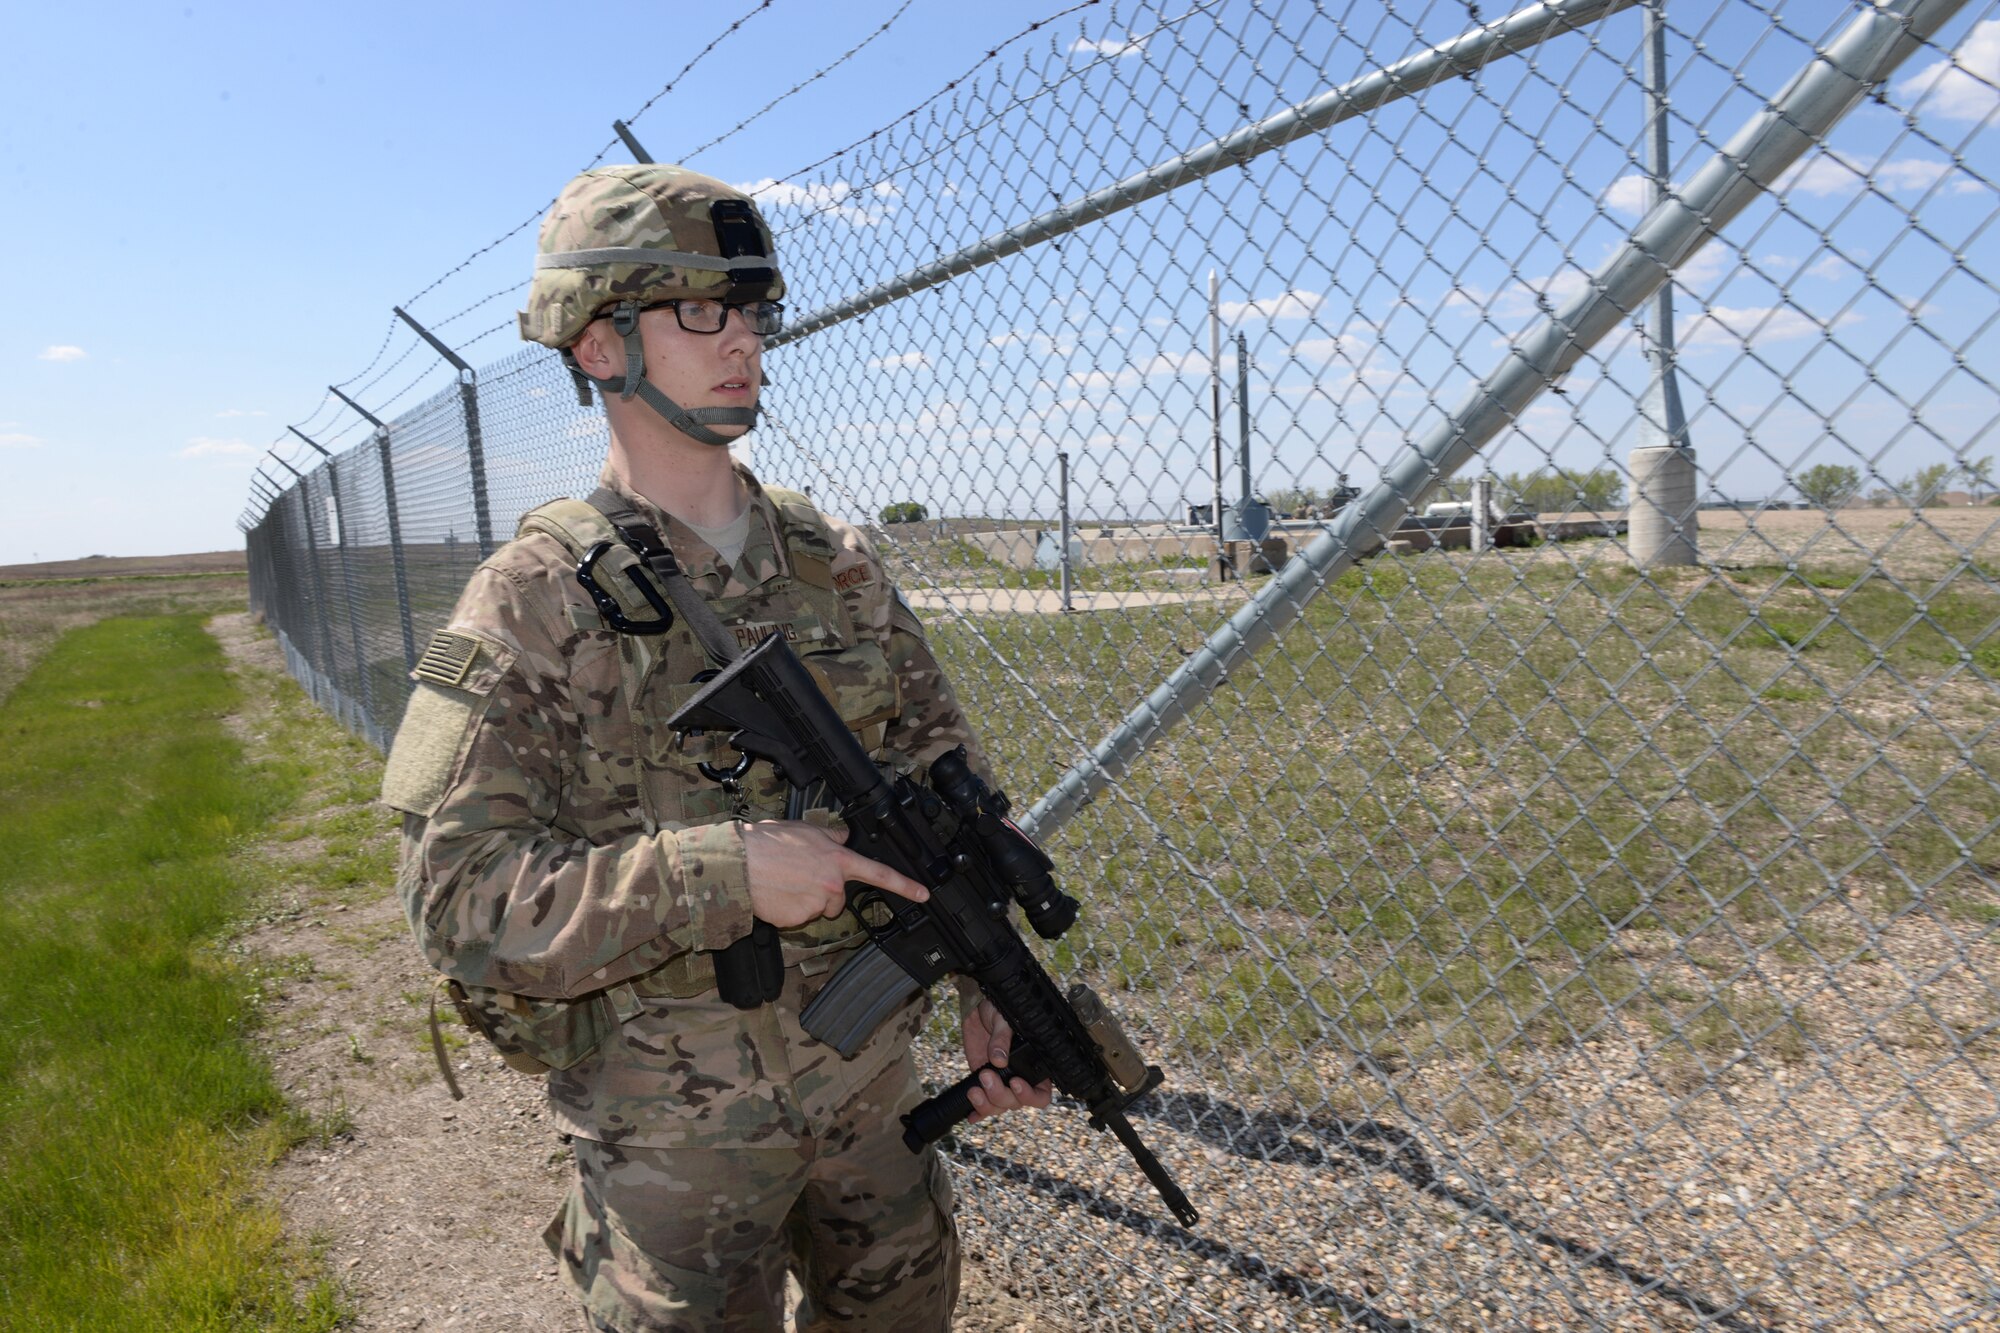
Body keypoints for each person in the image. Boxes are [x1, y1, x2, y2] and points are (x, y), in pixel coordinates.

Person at [379, 162, 1049, 1333]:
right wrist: (724, 871)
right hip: (670, 1143)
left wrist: (989, 979)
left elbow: (952, 789)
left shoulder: (835, 562)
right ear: (597, 346)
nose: (741, 339)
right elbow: (458, 902)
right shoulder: (532, 599)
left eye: (751, 311)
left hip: (871, 1112)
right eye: (700, 310)